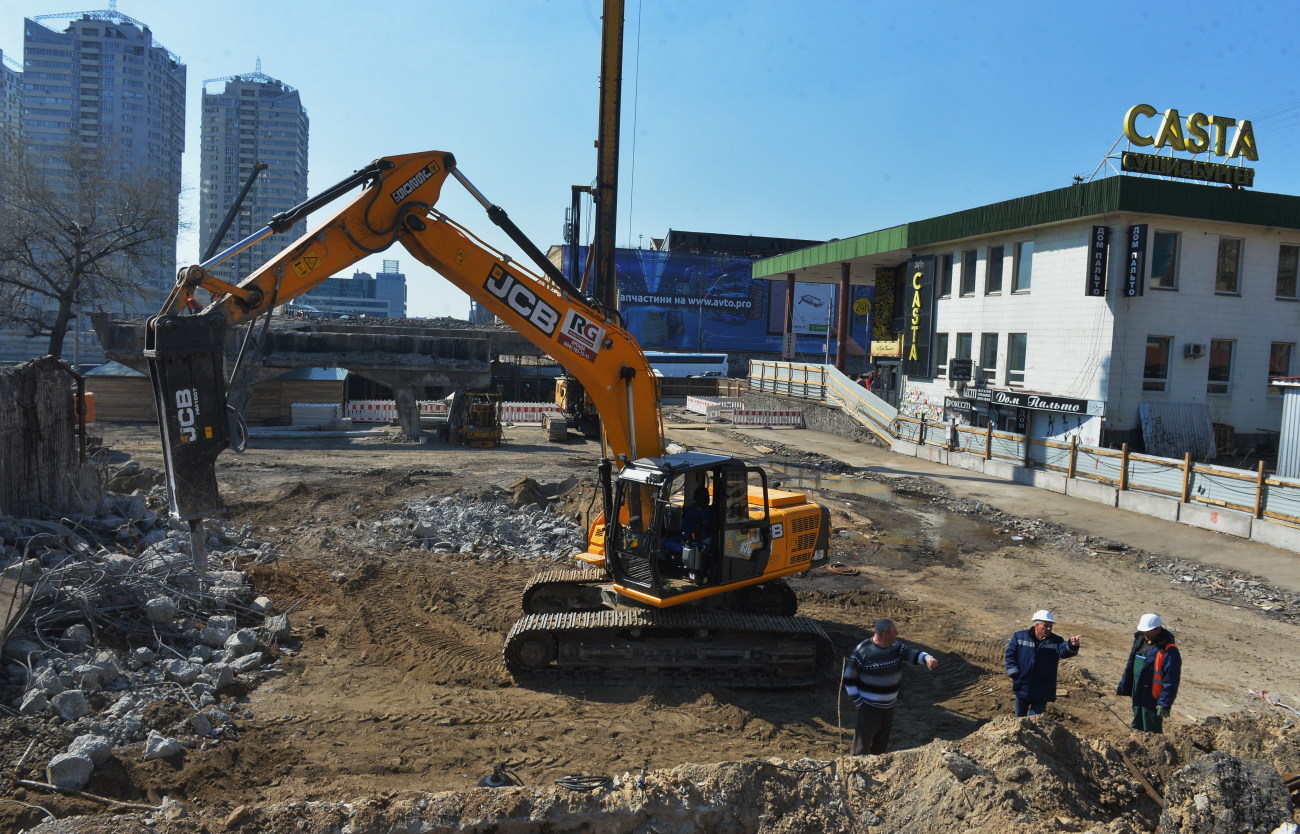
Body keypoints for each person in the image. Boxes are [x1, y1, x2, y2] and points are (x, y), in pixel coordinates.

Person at [843, 618, 939, 755]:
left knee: (881, 745)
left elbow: (912, 654)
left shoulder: (896, 647)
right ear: (885, 634)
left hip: (888, 708)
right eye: (895, 631)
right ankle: (856, 771)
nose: (897, 633)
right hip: (868, 709)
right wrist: (859, 703)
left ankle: (876, 768)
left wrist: (927, 658)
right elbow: (848, 678)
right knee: (861, 747)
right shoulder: (863, 651)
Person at [1005, 609, 1081, 717]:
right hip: (1023, 685)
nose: (1049, 629)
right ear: (1036, 624)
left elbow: (1064, 652)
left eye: (1051, 626)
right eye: (1046, 626)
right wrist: (1015, 675)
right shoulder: (1019, 637)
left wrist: (1072, 645)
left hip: (1043, 688)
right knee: (1019, 719)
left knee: (1035, 721)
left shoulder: (1056, 641)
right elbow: (1010, 656)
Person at [1117, 613, 1180, 733]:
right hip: (1138, 691)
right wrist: (1126, 685)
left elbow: (1171, 679)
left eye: (1148, 631)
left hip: (1153, 696)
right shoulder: (1140, 642)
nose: (1145, 634)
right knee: (1137, 720)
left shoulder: (1169, 650)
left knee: (1151, 727)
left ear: (1157, 630)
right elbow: (1130, 666)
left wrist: (1164, 703)